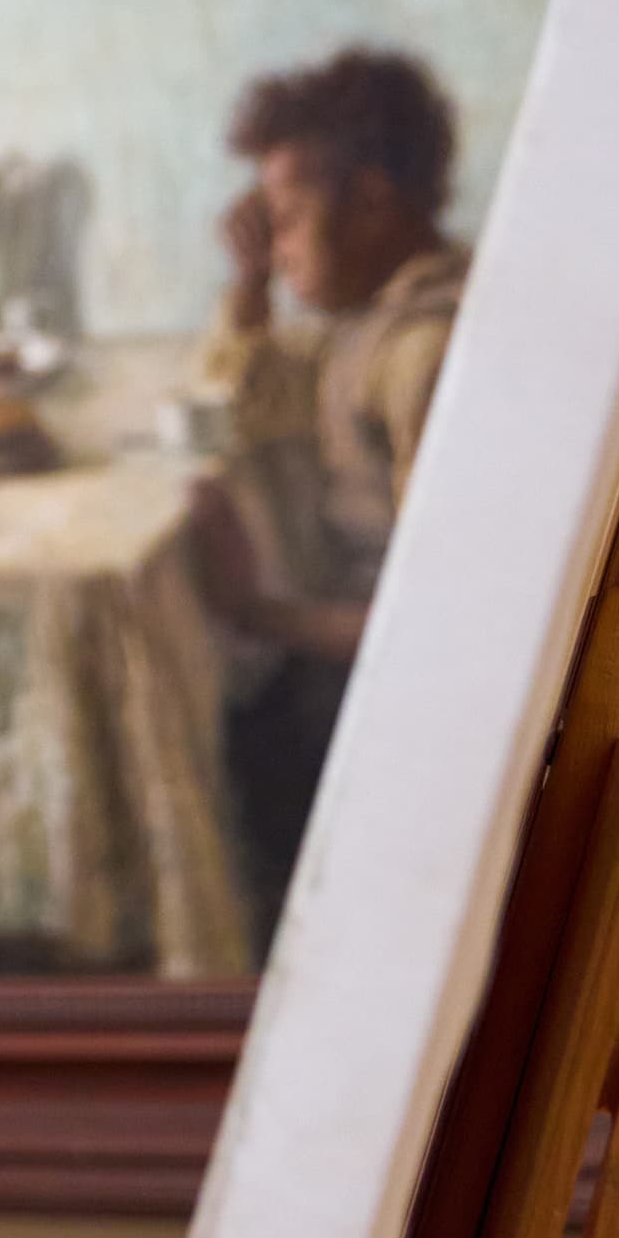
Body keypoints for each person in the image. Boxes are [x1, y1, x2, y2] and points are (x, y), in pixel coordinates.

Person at [188, 45, 471, 917]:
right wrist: (249, 283)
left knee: (211, 762)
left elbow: (446, 625)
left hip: (401, 706)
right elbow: (242, 402)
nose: (273, 250)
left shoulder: (423, 354)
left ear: (374, 203)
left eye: (284, 220)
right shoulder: (369, 318)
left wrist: (255, 613)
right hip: (352, 654)